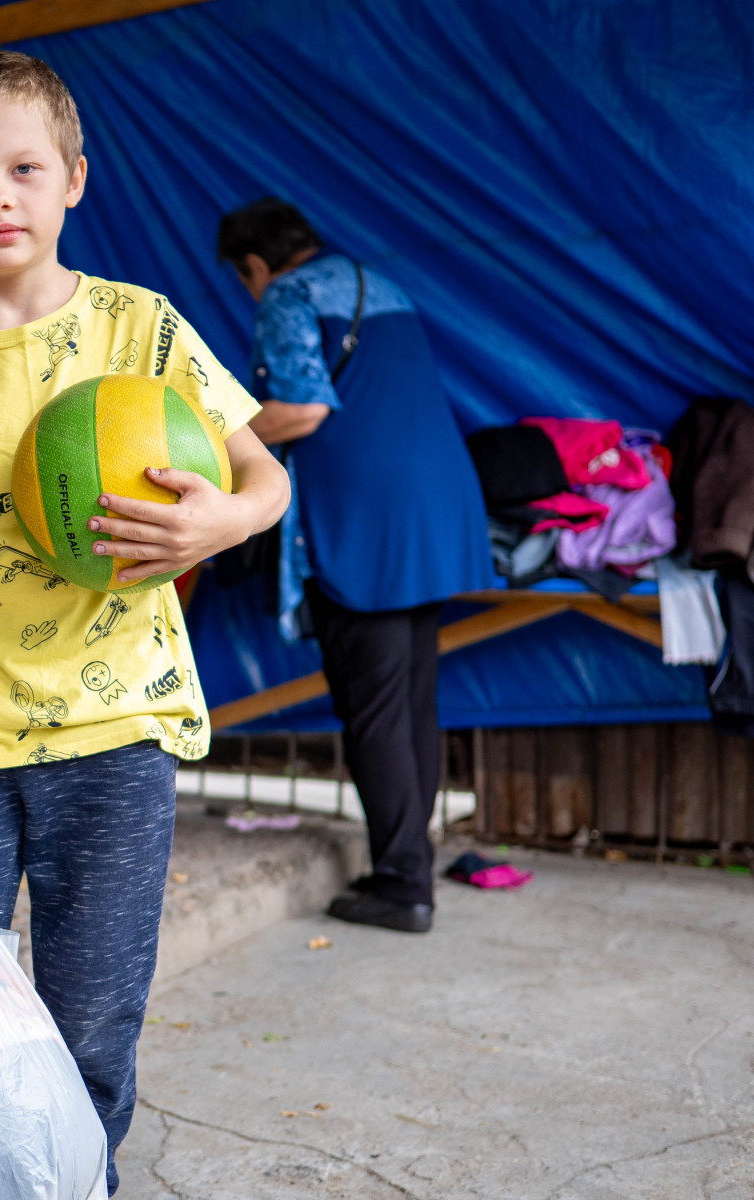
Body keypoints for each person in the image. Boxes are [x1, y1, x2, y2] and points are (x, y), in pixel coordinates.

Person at [0, 51, 289, 1193]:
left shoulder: (140, 333)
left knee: (91, 1026)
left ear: (74, 181)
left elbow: (263, 476)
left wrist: (220, 526)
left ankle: (79, 1180)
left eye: (24, 169)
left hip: (115, 739)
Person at [217, 197, 494, 934]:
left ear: (255, 263)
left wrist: (215, 431)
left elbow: (302, 409)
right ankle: (412, 866)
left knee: (373, 707)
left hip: (363, 519)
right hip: (431, 508)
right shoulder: (380, 285)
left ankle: (404, 885)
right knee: (411, 699)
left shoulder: (290, 292)